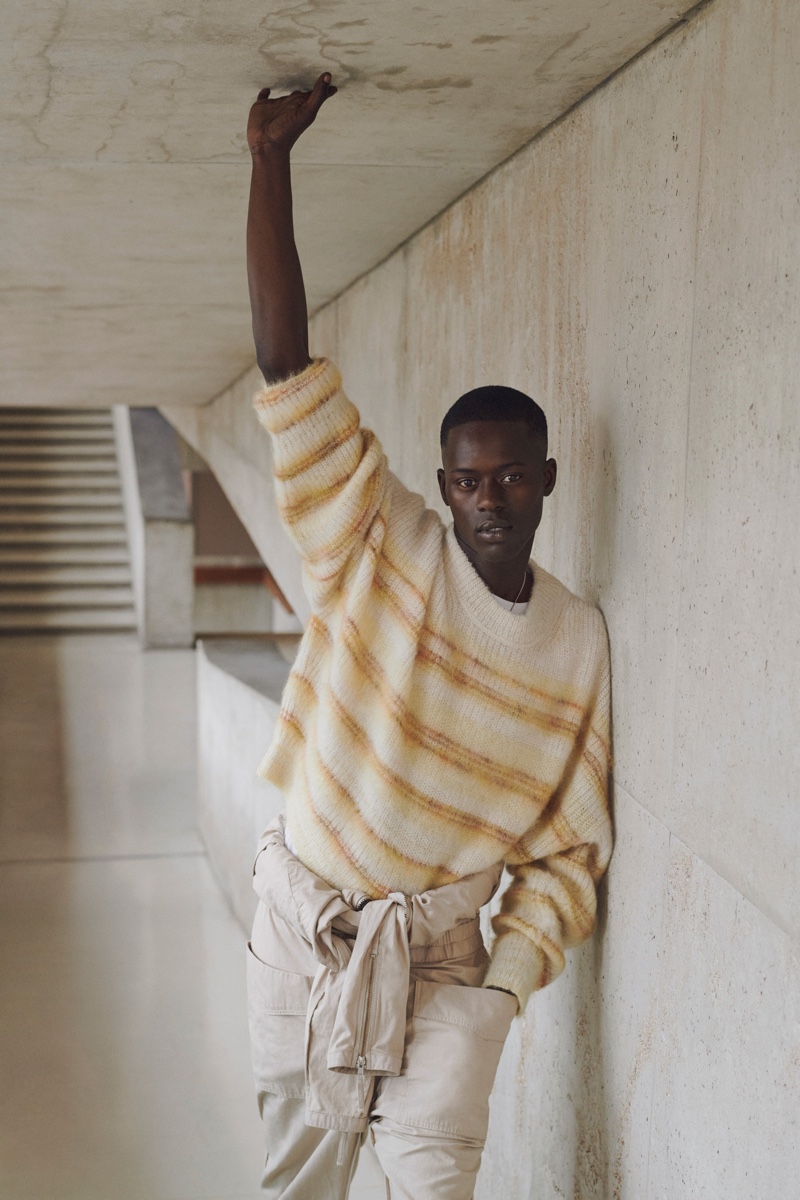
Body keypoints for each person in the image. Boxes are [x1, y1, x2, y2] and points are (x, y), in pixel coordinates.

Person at [244, 72, 613, 1200]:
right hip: (304, 930)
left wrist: (497, 994)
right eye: (466, 479)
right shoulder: (374, 540)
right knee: (292, 1188)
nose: (487, 498)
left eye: (510, 476)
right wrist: (268, 162)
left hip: (447, 970)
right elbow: (285, 372)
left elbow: (565, 853)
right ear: (442, 487)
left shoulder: (575, 643)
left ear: (546, 481)